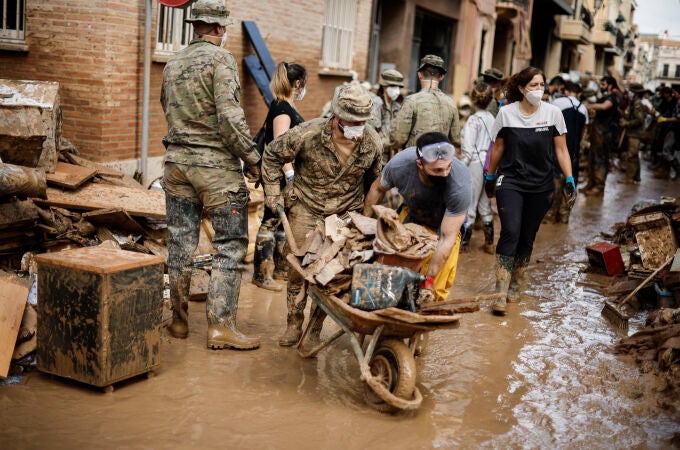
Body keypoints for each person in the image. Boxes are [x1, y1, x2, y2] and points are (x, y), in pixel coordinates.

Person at [160, 0, 262, 350]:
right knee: (230, 246)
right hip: (216, 170)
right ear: (219, 29)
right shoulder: (222, 59)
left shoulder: (173, 62)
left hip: (175, 166)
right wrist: (253, 158)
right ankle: (220, 327)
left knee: (179, 244)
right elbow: (230, 120)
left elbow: (166, 107)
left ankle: (178, 322)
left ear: (195, 25)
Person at [262, 84, 382, 347]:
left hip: (344, 213)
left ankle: (315, 328)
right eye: (353, 121)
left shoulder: (372, 142)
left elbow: (376, 182)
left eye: (363, 121)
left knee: (332, 275)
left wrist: (368, 218)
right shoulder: (308, 133)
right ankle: (294, 323)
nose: (359, 127)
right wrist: (272, 192)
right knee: (298, 269)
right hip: (306, 206)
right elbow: (271, 155)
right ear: (338, 116)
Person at [484, 67, 574, 316]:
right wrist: (490, 175)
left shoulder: (554, 113)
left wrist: (569, 178)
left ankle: (517, 283)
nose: (538, 90)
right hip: (510, 180)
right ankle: (500, 290)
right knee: (510, 230)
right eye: (533, 85)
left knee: (527, 234)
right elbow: (498, 147)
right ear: (522, 89)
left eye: (542, 85)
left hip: (541, 185)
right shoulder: (506, 113)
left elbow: (562, 150)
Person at [364, 132, 472, 305]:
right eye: (437, 170)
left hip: (444, 224)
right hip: (413, 213)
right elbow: (377, 188)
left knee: (433, 291)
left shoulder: (460, 184)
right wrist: (364, 226)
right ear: (420, 164)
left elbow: (446, 239)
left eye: (448, 167)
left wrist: (427, 283)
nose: (444, 174)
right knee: (389, 272)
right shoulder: (400, 165)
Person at [252, 62, 307, 292]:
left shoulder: (285, 106)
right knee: (271, 220)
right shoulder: (283, 109)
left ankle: (281, 269)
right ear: (298, 84)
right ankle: (261, 274)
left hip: (282, 175)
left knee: (284, 223)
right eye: (305, 84)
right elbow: (279, 146)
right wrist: (290, 174)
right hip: (278, 176)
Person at [390, 55, 461, 150]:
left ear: (419, 74)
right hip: (440, 159)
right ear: (442, 77)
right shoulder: (451, 103)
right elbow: (456, 140)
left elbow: (399, 138)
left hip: (416, 159)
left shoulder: (411, 101)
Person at [460, 82, 496, 253]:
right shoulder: (493, 119)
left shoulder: (473, 121)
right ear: (490, 100)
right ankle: (489, 243)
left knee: (470, 206)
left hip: (474, 164)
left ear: (473, 100)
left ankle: (464, 245)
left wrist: (459, 169)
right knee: (484, 205)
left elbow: (467, 151)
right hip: (490, 165)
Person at [545, 81, 588, 223]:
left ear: (566, 91)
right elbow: (583, 132)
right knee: (570, 182)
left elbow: (547, 122)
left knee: (554, 182)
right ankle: (564, 216)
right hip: (574, 151)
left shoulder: (558, 102)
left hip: (557, 148)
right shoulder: (584, 109)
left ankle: (549, 215)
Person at [583, 76, 620, 196]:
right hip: (597, 132)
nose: (601, 86)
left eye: (603, 84)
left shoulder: (611, 98)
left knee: (600, 160)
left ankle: (599, 187)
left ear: (610, 86)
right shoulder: (603, 97)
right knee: (592, 158)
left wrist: (589, 106)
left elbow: (605, 106)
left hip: (604, 133)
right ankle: (591, 183)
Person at [368, 69, 405, 163]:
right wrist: (394, 142)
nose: (396, 90)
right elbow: (371, 134)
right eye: (392, 86)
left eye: (398, 87)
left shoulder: (397, 106)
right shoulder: (376, 104)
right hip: (376, 156)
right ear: (384, 86)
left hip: (392, 157)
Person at [618, 83, 647, 184]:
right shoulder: (634, 103)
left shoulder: (637, 104)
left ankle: (629, 178)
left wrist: (627, 123)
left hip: (635, 134)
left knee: (631, 156)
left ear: (635, 93)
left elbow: (639, 120)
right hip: (633, 133)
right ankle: (636, 177)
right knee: (634, 156)